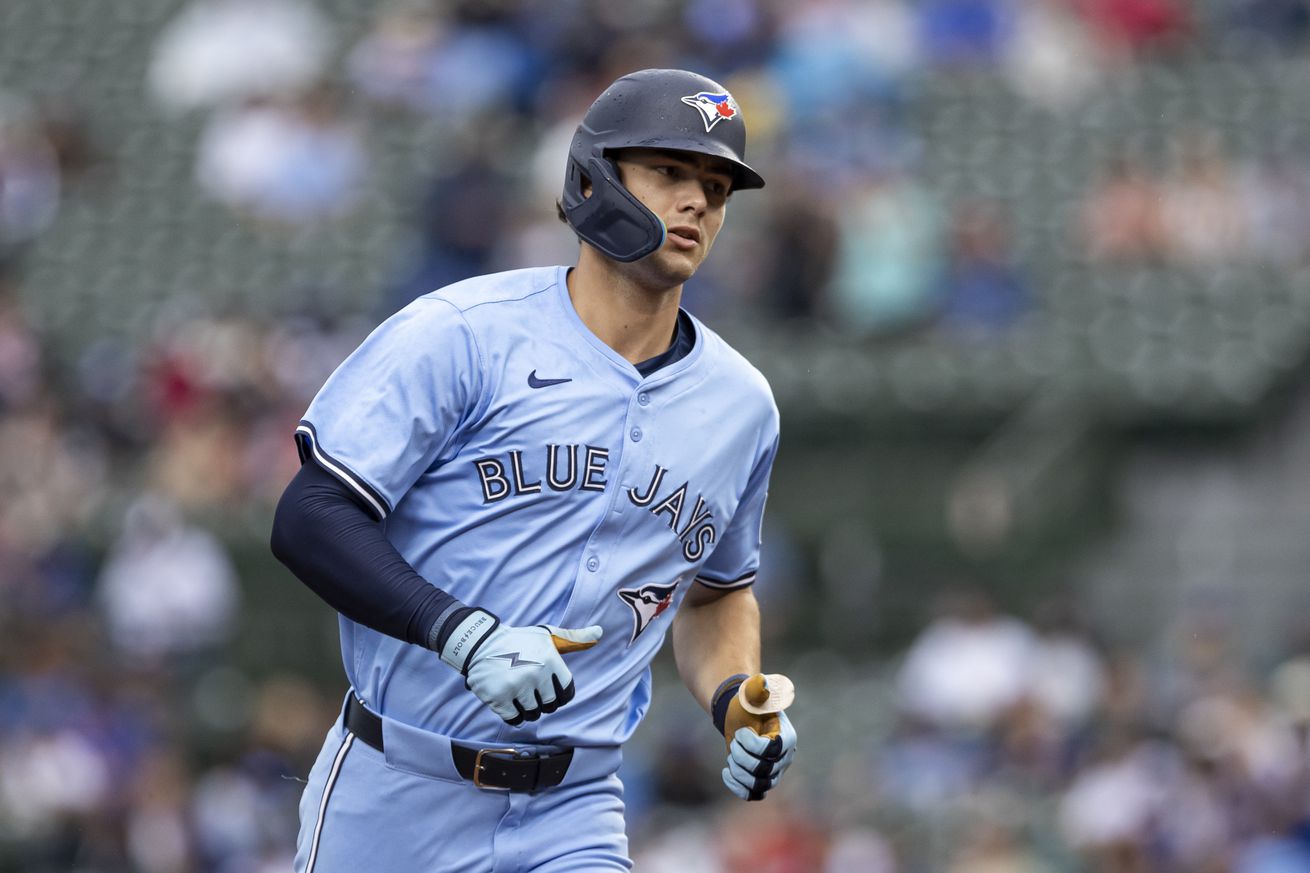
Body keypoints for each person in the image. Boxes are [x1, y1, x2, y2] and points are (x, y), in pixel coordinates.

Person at [270, 68, 798, 872]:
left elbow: (717, 597)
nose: (698, 202)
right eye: (670, 173)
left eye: (718, 187)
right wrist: (465, 635)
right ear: (595, 178)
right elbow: (311, 515)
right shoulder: (463, 334)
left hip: (574, 808)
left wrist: (738, 703)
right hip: (398, 791)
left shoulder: (742, 405)